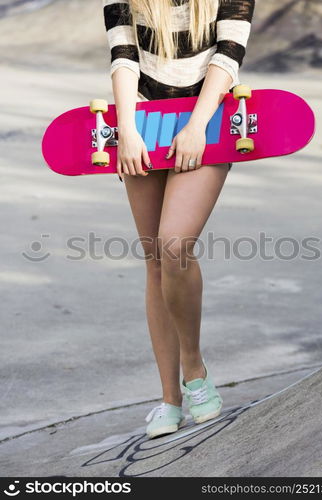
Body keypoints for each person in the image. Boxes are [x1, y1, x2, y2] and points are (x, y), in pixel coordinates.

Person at [103, 0, 255, 439]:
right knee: (155, 261)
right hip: (144, 123)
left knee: (174, 245)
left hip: (208, 122)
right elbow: (124, 58)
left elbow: (228, 56)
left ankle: (194, 367)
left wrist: (196, 125)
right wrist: (127, 131)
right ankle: (170, 399)